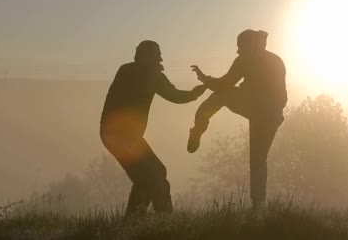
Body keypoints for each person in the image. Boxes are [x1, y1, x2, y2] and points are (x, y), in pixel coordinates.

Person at [100, 40, 206, 217]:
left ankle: (134, 220)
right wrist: (156, 76)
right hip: (117, 135)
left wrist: (194, 94)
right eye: (157, 55)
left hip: (127, 136)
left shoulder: (144, 73)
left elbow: (173, 94)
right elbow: (153, 89)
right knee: (154, 176)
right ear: (146, 56)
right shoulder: (128, 71)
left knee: (150, 177)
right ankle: (165, 219)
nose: (160, 59)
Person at [188, 29, 287, 209]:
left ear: (251, 45)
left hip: (262, 111)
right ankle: (258, 206)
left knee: (220, 96)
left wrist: (204, 79)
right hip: (269, 115)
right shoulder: (274, 60)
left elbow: (225, 84)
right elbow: (282, 97)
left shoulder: (246, 60)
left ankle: (198, 128)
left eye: (240, 47)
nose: (238, 51)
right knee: (258, 159)